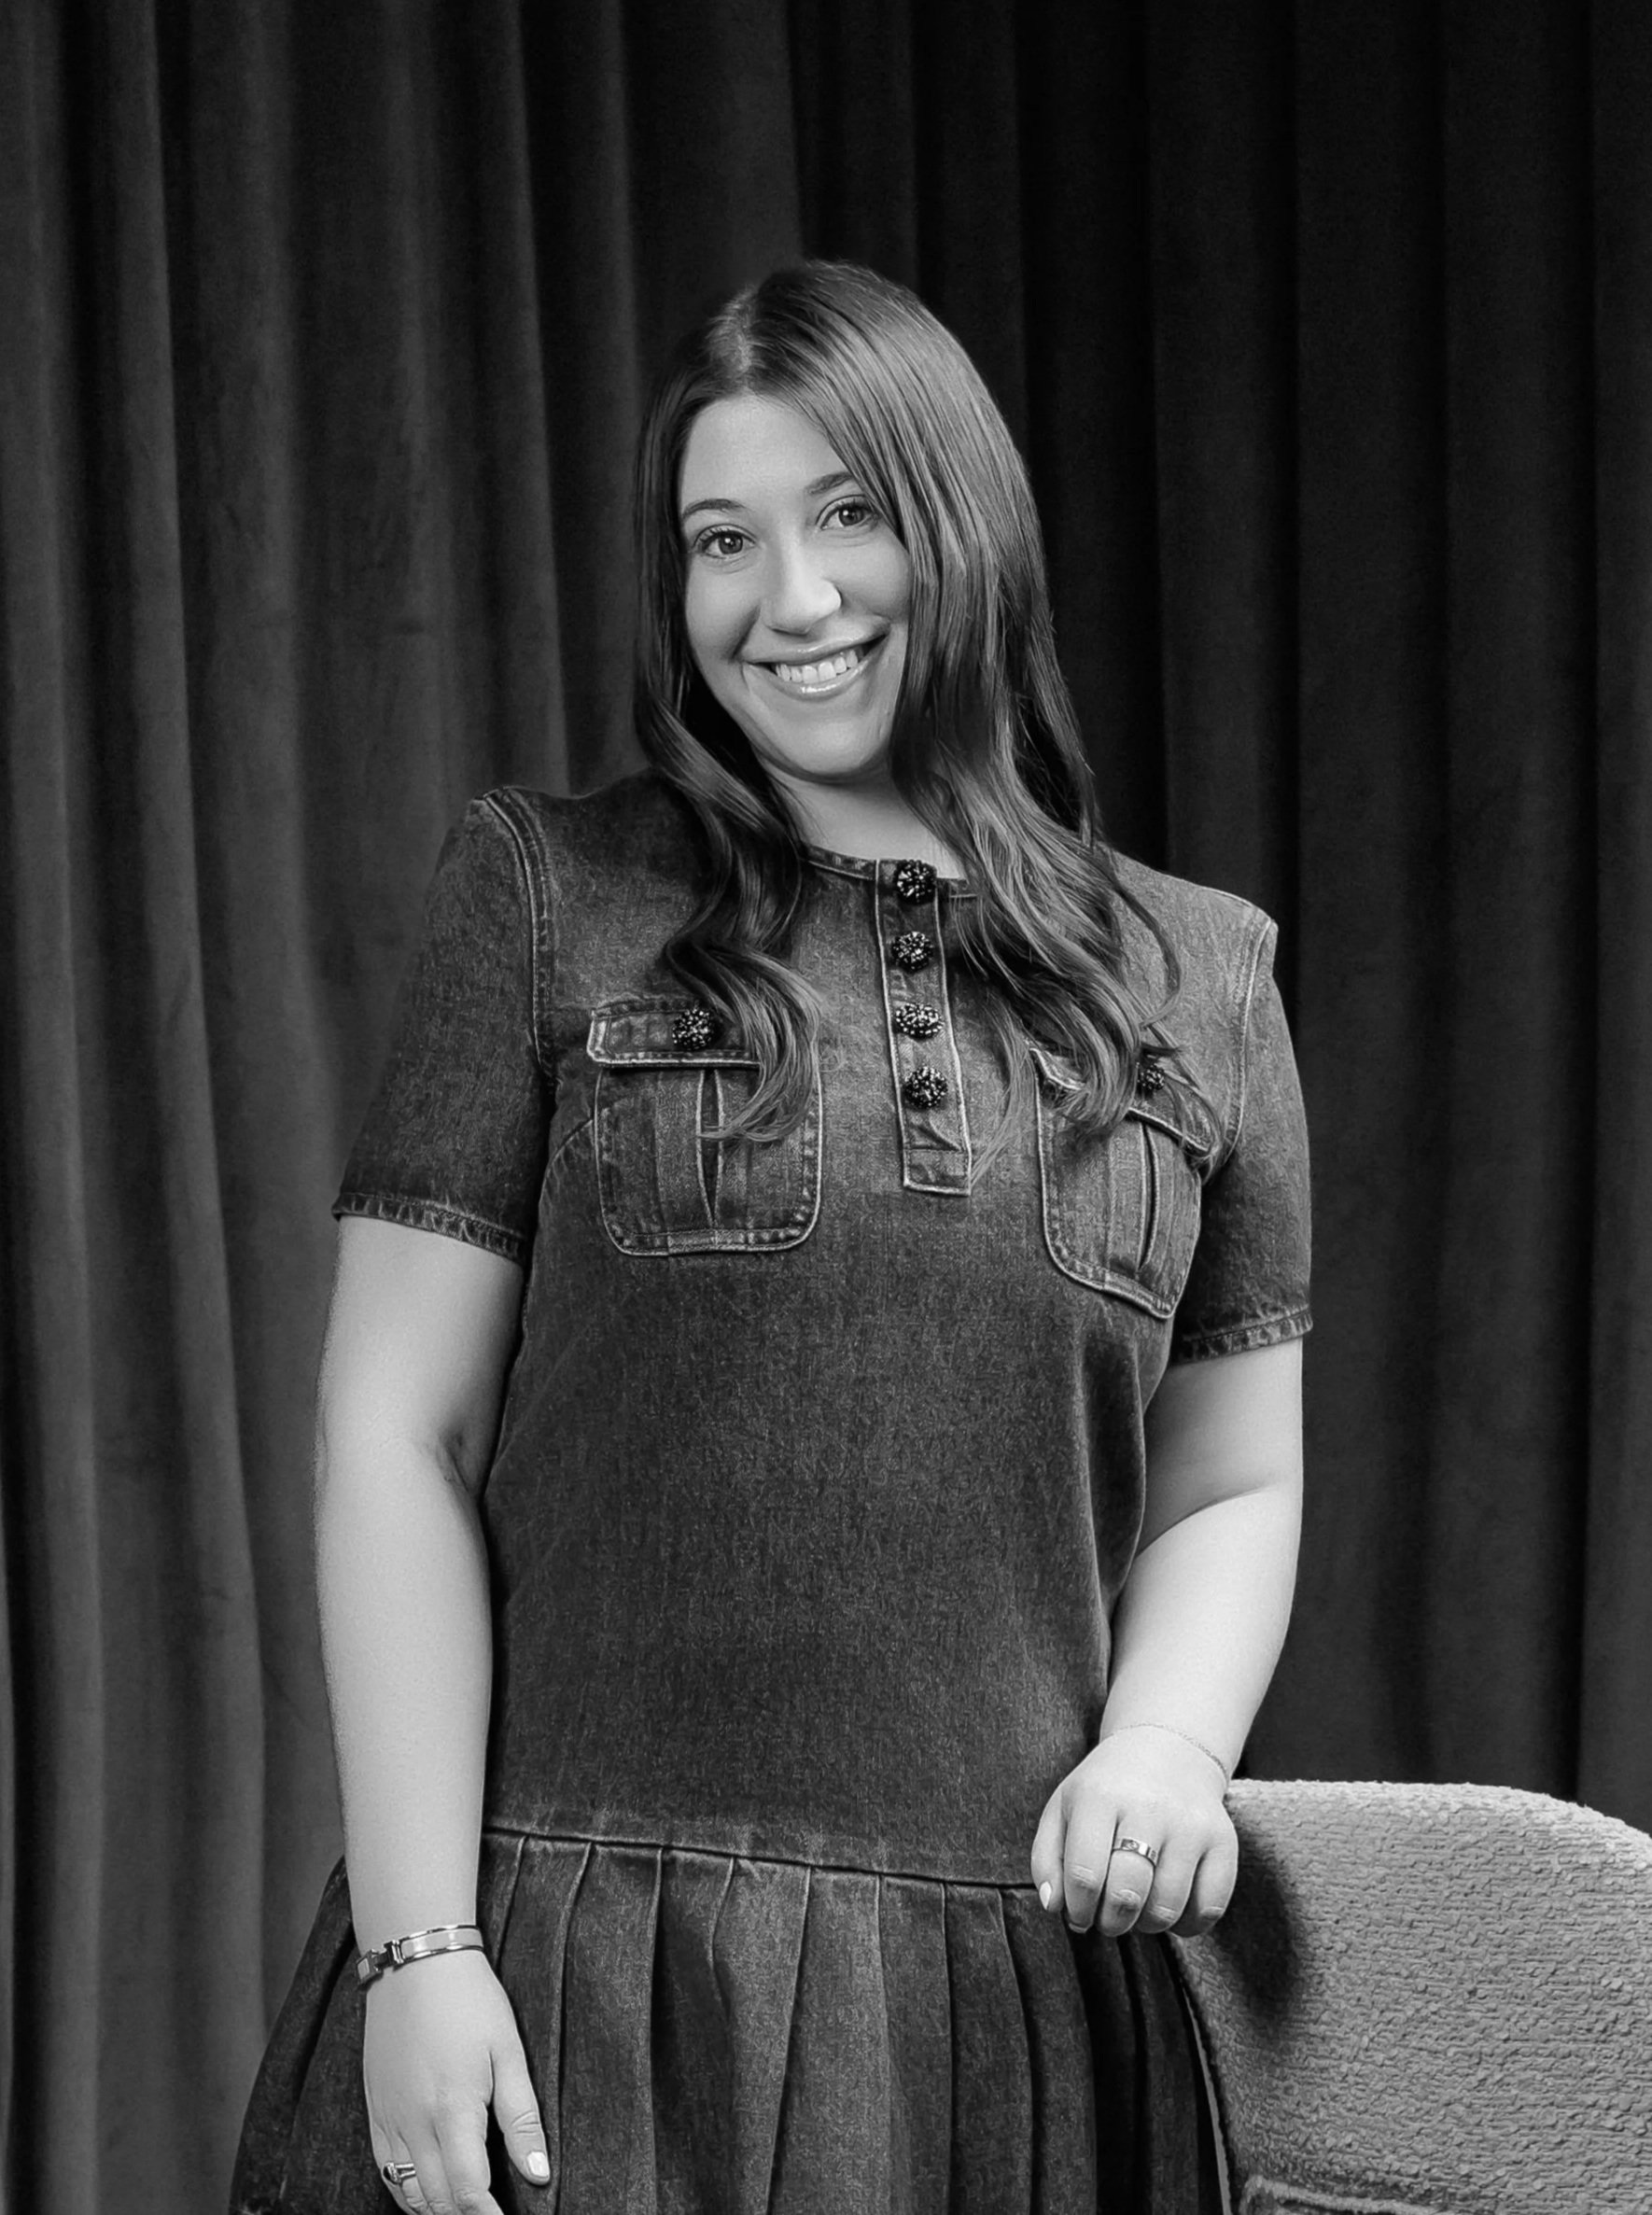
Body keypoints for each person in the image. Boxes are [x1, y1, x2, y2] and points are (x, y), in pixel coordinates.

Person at [231, 259, 1309, 2215]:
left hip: (1021, 2023)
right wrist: (419, 1945)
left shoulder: (1205, 980)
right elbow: (393, 1432)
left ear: (962, 525)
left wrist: (1166, 1742)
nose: (787, 601)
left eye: (847, 515)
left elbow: (1231, 1474)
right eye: (721, 539)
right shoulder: (548, 895)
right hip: (570, 1974)